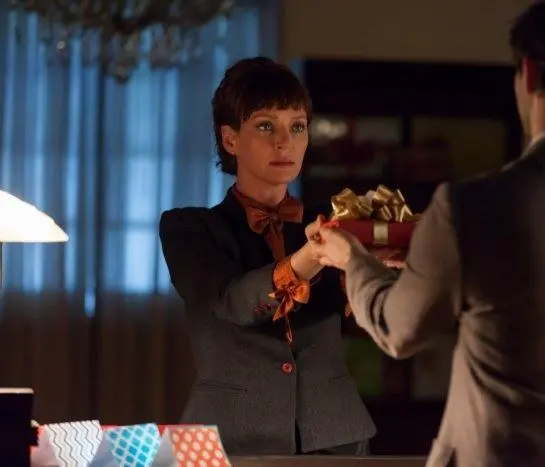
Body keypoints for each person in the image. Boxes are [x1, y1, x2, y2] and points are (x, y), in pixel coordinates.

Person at [310, 3, 545, 466]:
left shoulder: (474, 207)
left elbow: (399, 329)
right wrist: (428, 263)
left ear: (530, 74)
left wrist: (353, 260)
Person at [159, 57, 376, 456]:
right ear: (230, 140)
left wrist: (378, 271)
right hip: (228, 435)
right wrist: (310, 258)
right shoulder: (188, 228)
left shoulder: (333, 225)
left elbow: (378, 323)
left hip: (334, 434)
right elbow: (232, 302)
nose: (284, 142)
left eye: (297, 127)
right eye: (265, 126)